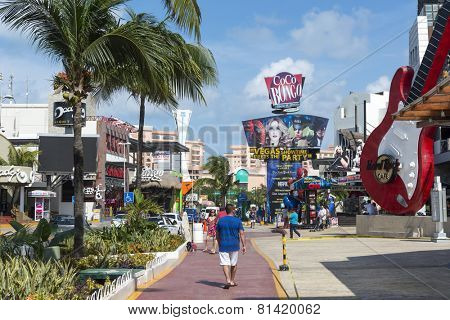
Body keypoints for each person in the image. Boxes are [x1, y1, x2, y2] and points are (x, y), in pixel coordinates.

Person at [216, 204, 246, 289]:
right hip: (234, 245)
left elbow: (217, 234)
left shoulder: (220, 221)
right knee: (234, 263)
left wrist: (219, 243)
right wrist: (244, 245)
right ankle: (232, 281)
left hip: (223, 245)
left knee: (225, 263)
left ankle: (228, 280)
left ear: (226, 211)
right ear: (233, 210)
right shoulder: (237, 221)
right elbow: (242, 233)